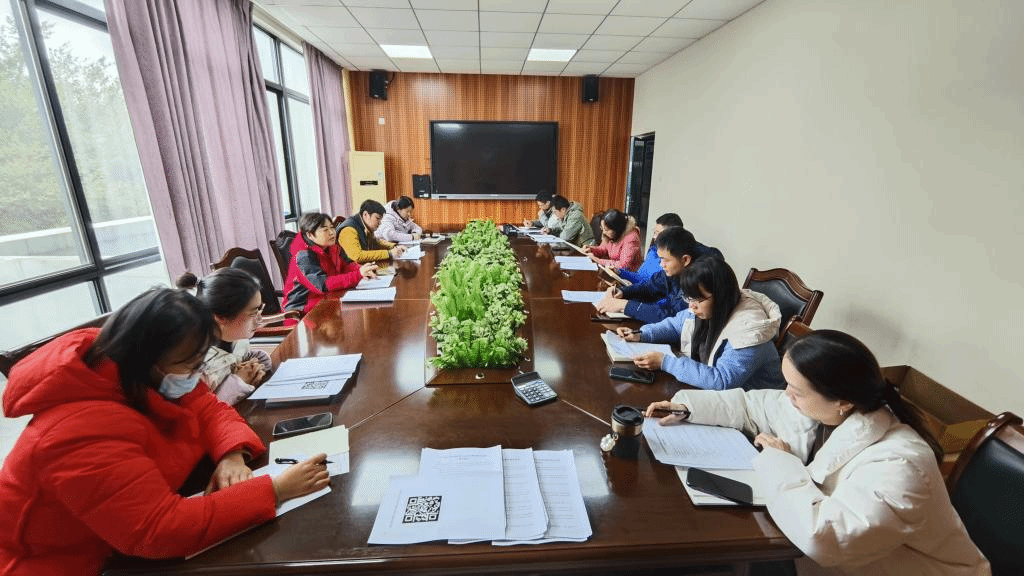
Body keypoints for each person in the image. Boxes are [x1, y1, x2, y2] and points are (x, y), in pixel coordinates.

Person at [0, 288, 330, 575]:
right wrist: (274, 490)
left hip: (120, 540)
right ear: (145, 358)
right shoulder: (77, 432)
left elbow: (209, 408)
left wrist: (232, 454)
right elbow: (157, 529)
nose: (196, 375)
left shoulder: (144, 375)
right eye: (189, 365)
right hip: (62, 564)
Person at [645, 330, 990, 576]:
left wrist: (779, 461)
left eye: (795, 391)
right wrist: (687, 408)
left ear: (843, 401)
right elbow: (752, 405)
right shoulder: (825, 409)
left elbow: (825, 539)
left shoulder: (901, 463)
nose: (787, 396)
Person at [616, 256, 784, 390]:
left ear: (721, 296)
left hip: (753, 411)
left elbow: (721, 380)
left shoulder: (750, 332)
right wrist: (642, 334)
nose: (691, 306)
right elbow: (676, 325)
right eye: (688, 297)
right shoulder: (710, 306)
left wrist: (665, 363)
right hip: (721, 399)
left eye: (697, 300)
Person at [176, 268, 271, 406]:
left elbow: (240, 357)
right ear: (221, 317)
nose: (259, 319)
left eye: (259, 310)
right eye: (253, 313)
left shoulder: (236, 339)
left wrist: (258, 362)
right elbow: (202, 409)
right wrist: (239, 382)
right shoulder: (197, 366)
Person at [596, 226, 700, 323]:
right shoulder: (674, 272)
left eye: (665, 260)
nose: (661, 264)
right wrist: (623, 292)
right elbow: (649, 288)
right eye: (660, 259)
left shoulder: (697, 283)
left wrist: (625, 305)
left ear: (685, 260)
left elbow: (672, 317)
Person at [285, 212, 378, 315]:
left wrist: (364, 269)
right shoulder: (304, 256)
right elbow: (323, 285)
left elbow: (347, 265)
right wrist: (358, 274)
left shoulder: (331, 247)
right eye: (325, 230)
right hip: (302, 311)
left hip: (327, 300)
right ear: (310, 235)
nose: (332, 233)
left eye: (332, 228)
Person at [618, 213, 684, 285]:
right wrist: (619, 272)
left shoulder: (672, 261)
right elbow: (640, 277)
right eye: (654, 232)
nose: (654, 237)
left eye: (658, 233)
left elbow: (652, 286)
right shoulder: (653, 250)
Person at [336, 200, 406, 262]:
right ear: (366, 215)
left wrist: (394, 246)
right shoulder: (349, 230)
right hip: (349, 269)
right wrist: (389, 253)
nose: (380, 223)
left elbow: (376, 241)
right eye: (377, 218)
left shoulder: (364, 225)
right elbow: (357, 255)